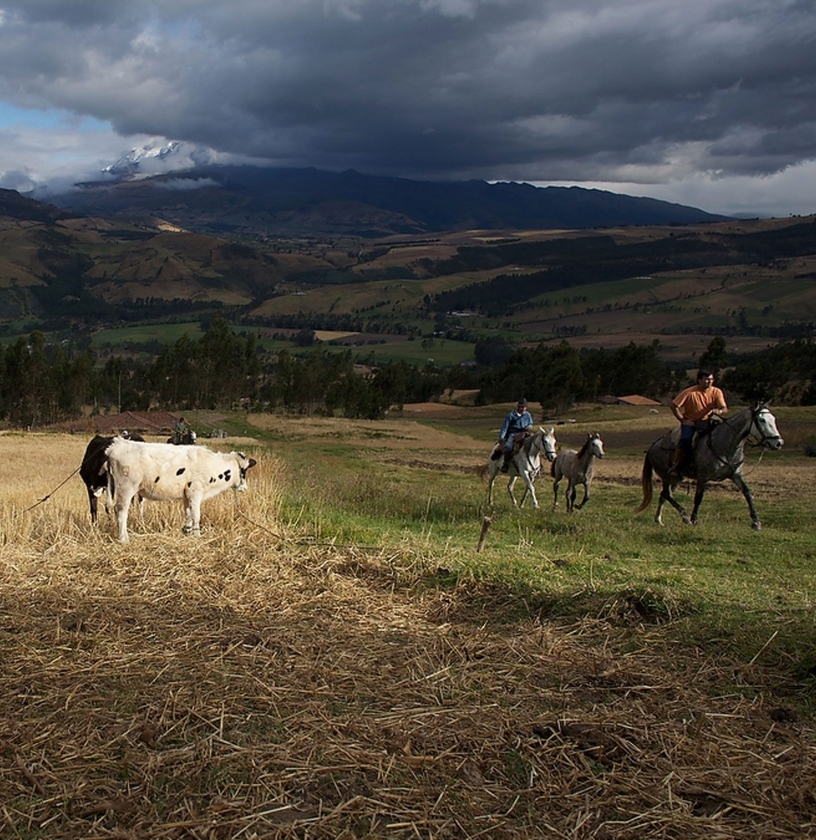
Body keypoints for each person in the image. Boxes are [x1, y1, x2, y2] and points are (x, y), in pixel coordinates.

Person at [669, 369, 727, 477]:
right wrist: (683, 420)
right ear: (699, 380)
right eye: (706, 379)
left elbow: (724, 408)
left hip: (707, 421)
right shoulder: (689, 392)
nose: (709, 382)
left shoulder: (716, 392)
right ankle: (676, 465)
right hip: (691, 421)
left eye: (711, 379)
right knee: (686, 440)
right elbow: (674, 406)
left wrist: (719, 411)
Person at [498, 398, 534, 472]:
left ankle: (537, 464)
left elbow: (531, 423)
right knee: (508, 447)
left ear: (526, 408)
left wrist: (529, 426)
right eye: (520, 407)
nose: (522, 409)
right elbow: (505, 427)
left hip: (525, 433)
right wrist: (501, 437)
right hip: (513, 434)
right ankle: (506, 464)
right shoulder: (511, 415)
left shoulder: (527, 415)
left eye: (523, 407)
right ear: (517, 407)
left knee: (535, 444)